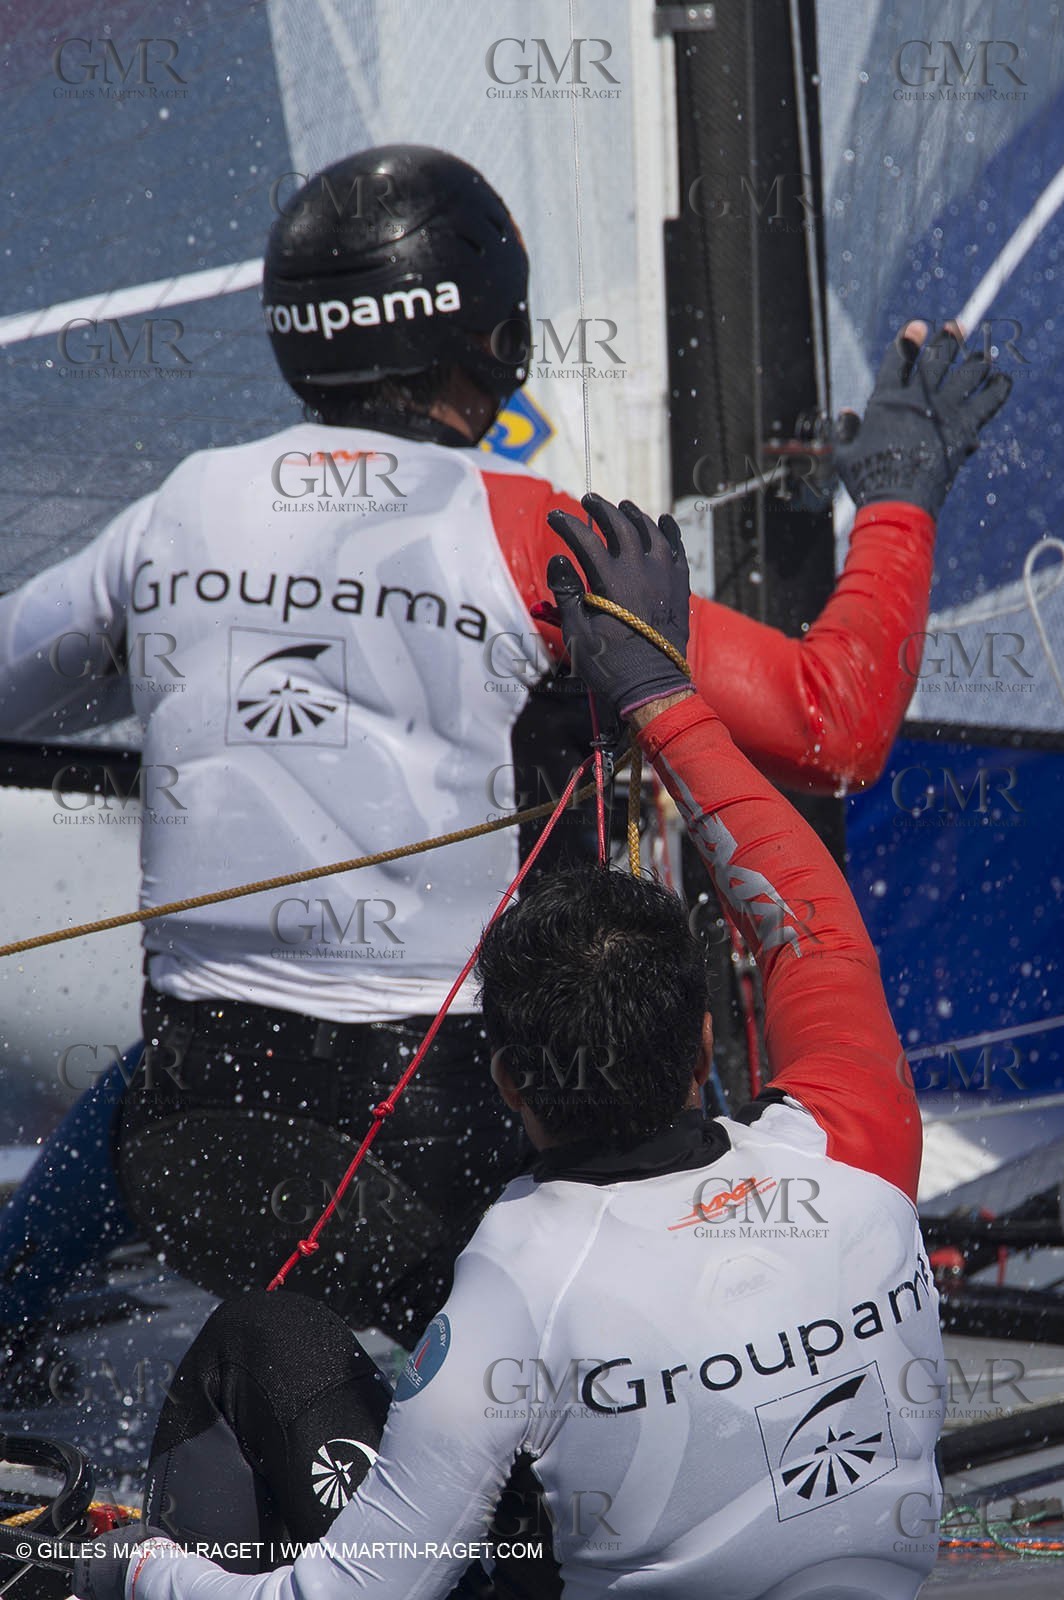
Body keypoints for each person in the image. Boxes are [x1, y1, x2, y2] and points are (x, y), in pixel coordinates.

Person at [0, 140, 1010, 1372]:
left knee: (148, 1085)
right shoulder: (529, 531)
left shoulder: (173, 509)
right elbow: (832, 723)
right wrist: (898, 500)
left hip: (191, 1164)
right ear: (493, 333)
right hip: (443, 1164)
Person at [72, 496, 945, 1600]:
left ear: (507, 1087)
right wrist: (662, 695)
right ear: (705, 1045)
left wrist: (121, 1570)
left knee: (266, 1340)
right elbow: (806, 925)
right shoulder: (850, 1156)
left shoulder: (520, 1274)